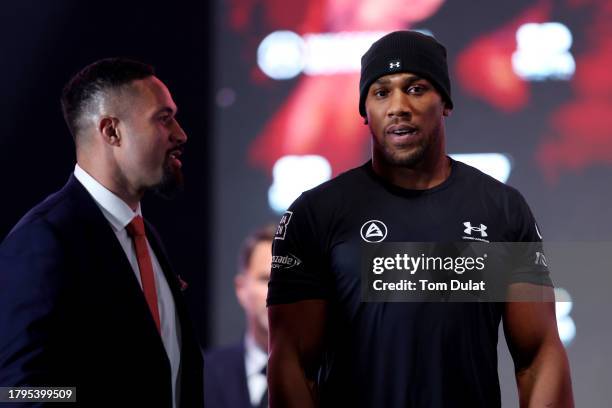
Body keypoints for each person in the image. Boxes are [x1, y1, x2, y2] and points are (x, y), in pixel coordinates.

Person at [267, 31, 573, 407]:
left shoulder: (501, 209)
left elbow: (540, 355)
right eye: (381, 92)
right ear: (364, 111)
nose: (398, 106)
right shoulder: (315, 214)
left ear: (444, 101)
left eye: (415, 89)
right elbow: (291, 362)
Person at [0, 58, 203, 407]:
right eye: (163, 118)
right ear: (111, 131)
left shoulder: (146, 235)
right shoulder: (44, 239)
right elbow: (18, 392)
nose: (181, 134)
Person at [205, 225, 275, 408]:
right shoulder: (202, 374)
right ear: (241, 289)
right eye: (265, 279)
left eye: (289, 279)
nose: (277, 291)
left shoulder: (331, 379)